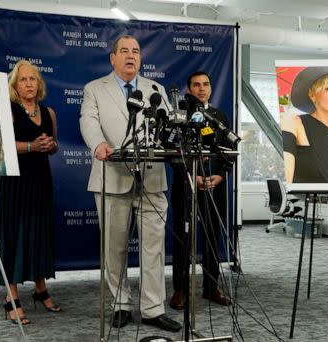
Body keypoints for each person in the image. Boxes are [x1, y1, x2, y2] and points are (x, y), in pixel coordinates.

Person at [79, 35, 181, 332]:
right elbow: (88, 120)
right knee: (114, 248)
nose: (130, 56)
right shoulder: (94, 89)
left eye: (135, 51)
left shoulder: (155, 89)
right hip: (112, 177)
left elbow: (167, 127)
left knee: (153, 248)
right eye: (124, 51)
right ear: (113, 58)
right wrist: (98, 144)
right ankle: (121, 304)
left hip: (151, 178)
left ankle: (152, 308)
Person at [0, 60, 60, 325]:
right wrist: (32, 146)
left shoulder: (48, 112)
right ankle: (11, 297)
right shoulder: (8, 110)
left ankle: (40, 289)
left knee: (38, 233)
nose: (29, 83)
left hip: (41, 180)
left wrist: (49, 145)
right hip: (14, 183)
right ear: (14, 85)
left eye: (33, 79)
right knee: (14, 236)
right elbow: (0, 146)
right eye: (24, 80)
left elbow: (54, 147)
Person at [169, 71, 233, 310]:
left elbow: (228, 150)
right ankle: (180, 291)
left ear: (211, 88)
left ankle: (211, 287)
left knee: (211, 237)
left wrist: (220, 175)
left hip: (214, 185)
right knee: (182, 239)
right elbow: (171, 152)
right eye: (196, 85)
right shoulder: (178, 115)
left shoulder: (219, 116)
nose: (202, 88)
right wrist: (192, 176)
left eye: (206, 84)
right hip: (186, 185)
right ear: (189, 89)